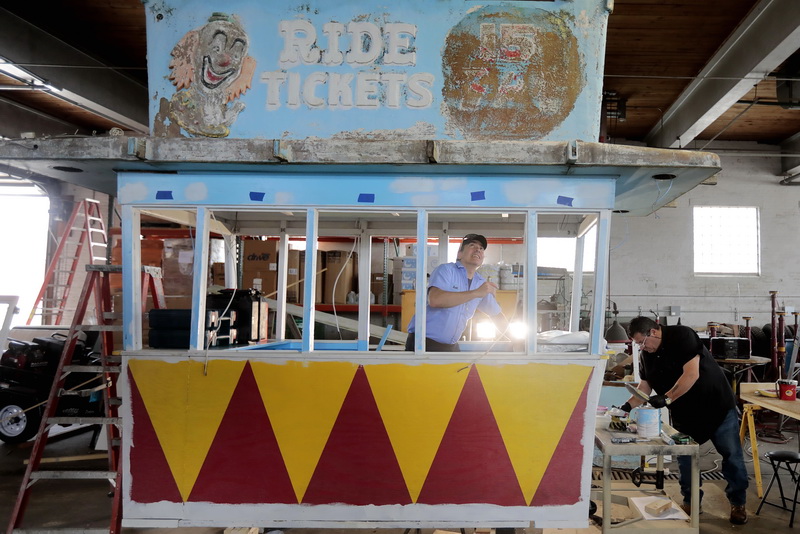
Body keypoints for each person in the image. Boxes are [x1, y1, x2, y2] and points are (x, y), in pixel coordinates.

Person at [620, 316, 748, 525]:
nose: (641, 348)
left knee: (731, 456)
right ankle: (691, 502)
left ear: (653, 332)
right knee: (687, 461)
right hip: (685, 416)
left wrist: (668, 397)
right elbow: (645, 386)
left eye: (642, 342)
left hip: (716, 407)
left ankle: (738, 502)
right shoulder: (647, 354)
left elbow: (691, 374)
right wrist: (626, 407)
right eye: (637, 345)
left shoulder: (682, 336)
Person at [405, 234, 507, 351]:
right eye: (472, 245)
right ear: (460, 254)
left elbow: (496, 315)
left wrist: (518, 342)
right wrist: (476, 293)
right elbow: (435, 300)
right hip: (424, 343)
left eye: (481, 248)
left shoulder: (480, 283)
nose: (478, 249)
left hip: (450, 345)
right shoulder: (446, 270)